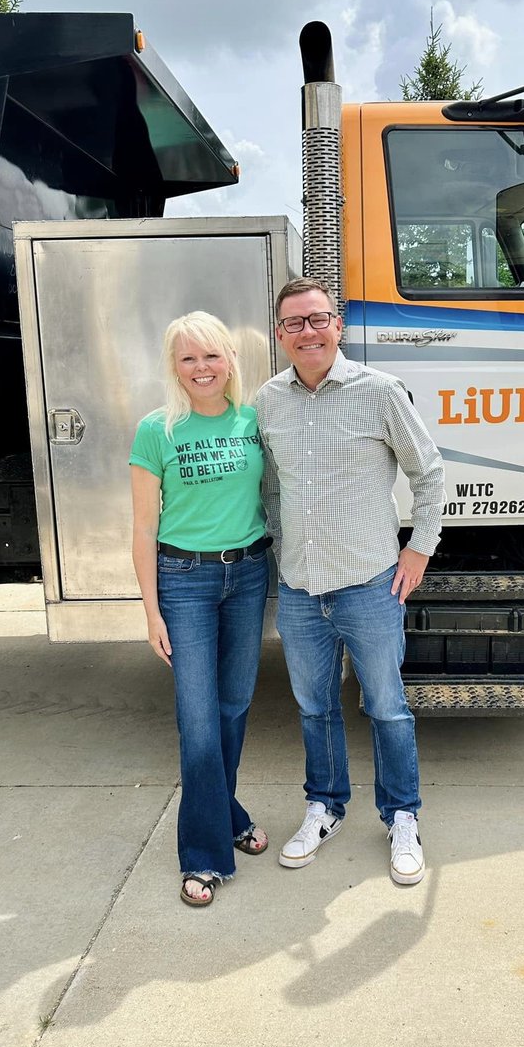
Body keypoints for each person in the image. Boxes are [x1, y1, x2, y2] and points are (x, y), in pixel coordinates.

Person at [256, 277, 445, 886]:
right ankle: (325, 805)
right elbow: (271, 490)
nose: (307, 331)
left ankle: (401, 817)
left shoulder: (381, 392)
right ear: (281, 334)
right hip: (300, 589)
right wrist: (281, 557)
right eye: (294, 323)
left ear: (337, 325)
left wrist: (418, 549)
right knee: (314, 708)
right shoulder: (268, 401)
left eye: (318, 319)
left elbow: (429, 473)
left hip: (369, 582)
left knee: (386, 707)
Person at [130, 311, 270, 907]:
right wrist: (151, 610)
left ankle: (227, 811)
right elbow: (141, 528)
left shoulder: (254, 420)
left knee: (234, 705)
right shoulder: (157, 429)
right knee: (198, 719)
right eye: (188, 359)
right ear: (174, 368)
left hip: (249, 572)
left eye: (211, 355)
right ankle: (205, 855)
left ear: (230, 360)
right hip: (183, 578)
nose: (201, 368)